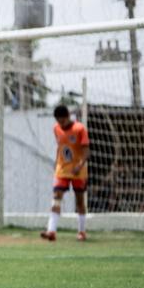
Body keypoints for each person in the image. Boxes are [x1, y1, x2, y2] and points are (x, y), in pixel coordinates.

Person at [43, 103, 89, 242]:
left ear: (68, 117)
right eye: (58, 121)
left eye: (62, 121)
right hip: (62, 169)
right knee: (56, 196)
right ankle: (51, 231)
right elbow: (61, 146)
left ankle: (81, 232)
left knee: (79, 201)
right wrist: (57, 161)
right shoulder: (56, 129)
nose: (61, 124)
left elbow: (87, 151)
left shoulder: (79, 129)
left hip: (78, 171)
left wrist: (80, 166)